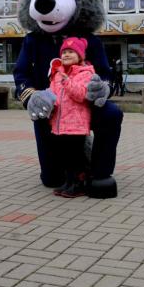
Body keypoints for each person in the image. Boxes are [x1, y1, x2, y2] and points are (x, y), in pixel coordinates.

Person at [49, 37, 95, 198]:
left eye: (71, 52)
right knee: (64, 155)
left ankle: (79, 183)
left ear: (80, 55)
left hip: (76, 124)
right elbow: (52, 94)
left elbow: (82, 95)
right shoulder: (57, 73)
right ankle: (69, 181)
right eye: (64, 52)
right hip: (59, 123)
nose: (66, 55)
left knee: (76, 155)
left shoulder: (86, 73)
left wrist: (67, 82)